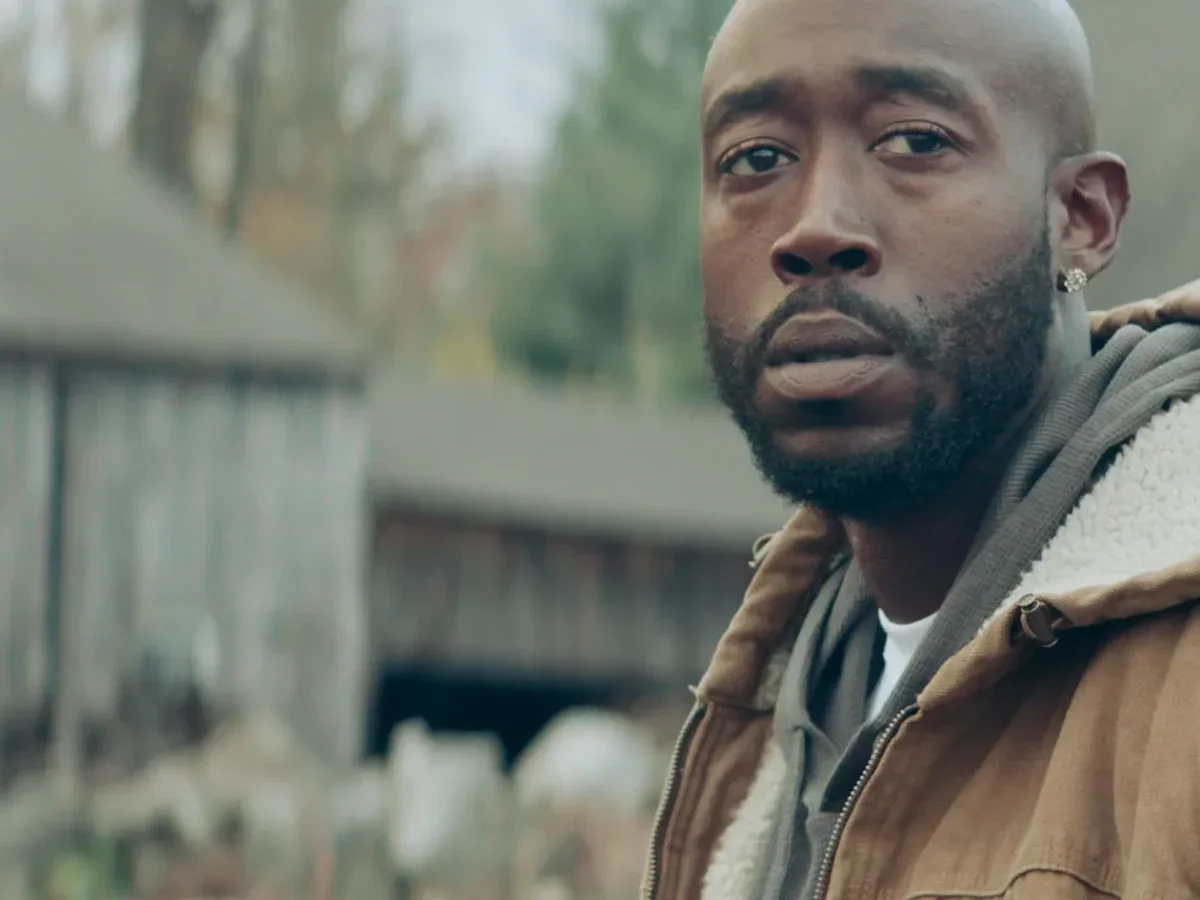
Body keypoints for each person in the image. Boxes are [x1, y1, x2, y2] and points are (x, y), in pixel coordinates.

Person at [642, 0, 1200, 897]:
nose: (814, 228)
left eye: (914, 142)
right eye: (757, 159)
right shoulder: (777, 711)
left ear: (1082, 218)